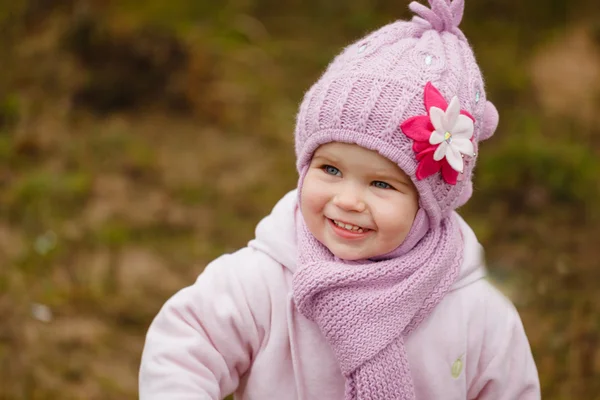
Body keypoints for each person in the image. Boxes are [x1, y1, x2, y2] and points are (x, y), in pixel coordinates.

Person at [139, 0, 541, 398]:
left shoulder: (473, 309)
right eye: (330, 170)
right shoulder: (267, 277)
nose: (348, 200)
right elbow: (184, 349)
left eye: (382, 185)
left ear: (429, 204)